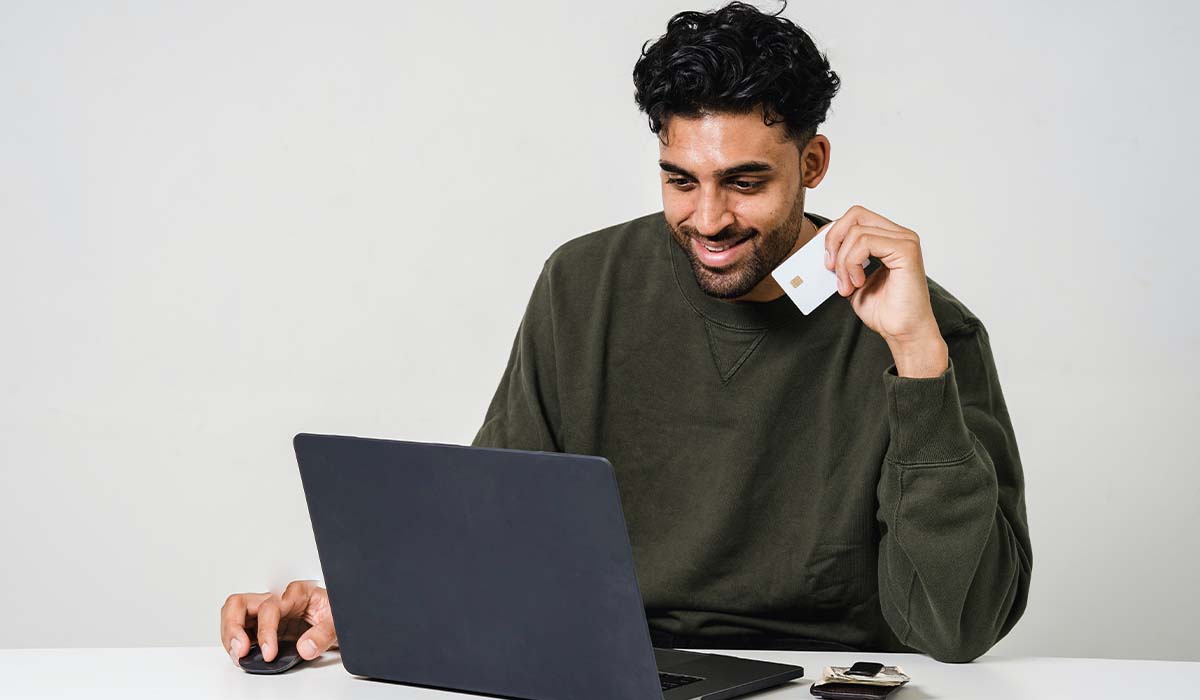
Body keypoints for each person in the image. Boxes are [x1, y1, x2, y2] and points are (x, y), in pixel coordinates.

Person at [221, 1, 1031, 667]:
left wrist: (918, 363)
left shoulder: (927, 327)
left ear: (812, 162)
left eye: (745, 183)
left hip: (824, 682)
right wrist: (351, 604)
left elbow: (958, 629)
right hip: (610, 669)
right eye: (682, 180)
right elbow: (498, 533)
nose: (708, 219)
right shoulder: (585, 284)